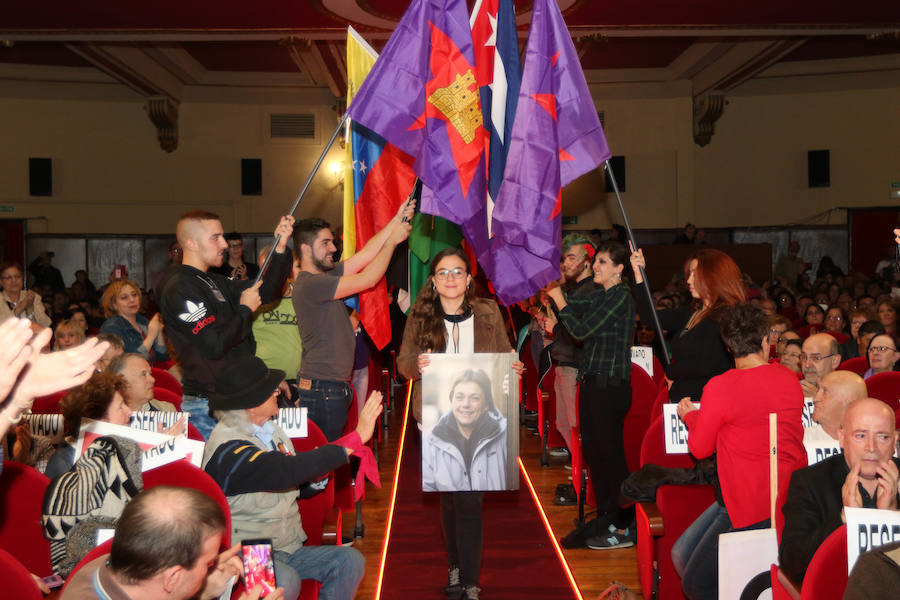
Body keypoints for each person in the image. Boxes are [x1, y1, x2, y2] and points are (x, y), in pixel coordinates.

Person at [397, 248, 521, 600]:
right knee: (450, 500)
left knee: (469, 501)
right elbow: (403, 361)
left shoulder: (487, 312)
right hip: (435, 420)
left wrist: (513, 367)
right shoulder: (421, 316)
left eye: (457, 272)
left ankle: (469, 581)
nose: (450, 278)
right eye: (443, 272)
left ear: (469, 279)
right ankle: (454, 566)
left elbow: (505, 353)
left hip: (482, 417)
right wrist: (417, 365)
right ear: (433, 281)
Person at [202, 355, 374, 600]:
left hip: (288, 545)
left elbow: (290, 483)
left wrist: (315, 479)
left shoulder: (273, 430)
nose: (276, 392)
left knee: (349, 560)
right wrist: (353, 440)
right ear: (250, 404)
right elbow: (282, 470)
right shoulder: (227, 451)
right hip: (249, 552)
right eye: (268, 390)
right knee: (287, 581)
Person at [672, 303, 805, 600]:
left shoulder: (721, 386)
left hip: (749, 505)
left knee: (695, 583)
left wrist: (691, 416)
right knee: (681, 555)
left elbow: (699, 447)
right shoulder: (788, 379)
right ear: (765, 342)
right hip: (783, 496)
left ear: (729, 347)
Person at [157, 210, 294, 439]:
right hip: (208, 407)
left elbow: (267, 292)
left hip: (235, 400)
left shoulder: (214, 281)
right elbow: (214, 345)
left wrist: (279, 249)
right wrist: (244, 310)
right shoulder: (178, 287)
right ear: (191, 243)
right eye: (216, 237)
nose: (224, 244)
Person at [293, 200, 413, 441]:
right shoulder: (312, 284)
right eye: (325, 243)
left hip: (328, 386)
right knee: (322, 461)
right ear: (305, 249)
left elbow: (366, 255)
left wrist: (396, 220)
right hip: (322, 388)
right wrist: (392, 241)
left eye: (332, 242)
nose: (333, 248)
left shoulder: (324, 275)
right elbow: (368, 279)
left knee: (326, 457)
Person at [546, 241, 636, 550]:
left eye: (602, 262)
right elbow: (577, 308)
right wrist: (559, 296)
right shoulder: (604, 295)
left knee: (610, 457)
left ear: (619, 269)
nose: (595, 266)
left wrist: (559, 298)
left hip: (609, 387)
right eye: (595, 261)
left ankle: (624, 522)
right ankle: (608, 515)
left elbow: (581, 331)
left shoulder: (621, 297)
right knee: (596, 457)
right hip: (594, 384)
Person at [62, 485, 283, 600]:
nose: (213, 566)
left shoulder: (115, 566)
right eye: (208, 564)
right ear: (173, 577)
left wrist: (201, 592)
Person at [779, 398, 900, 588]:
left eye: (882, 437)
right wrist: (844, 519)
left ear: (895, 441)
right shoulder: (810, 481)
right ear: (842, 438)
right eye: (860, 436)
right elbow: (792, 563)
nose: (871, 447)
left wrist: (892, 516)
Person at [630, 247, 746, 403]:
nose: (689, 280)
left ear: (714, 276)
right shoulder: (692, 311)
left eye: (695, 274)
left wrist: (671, 372)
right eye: (690, 274)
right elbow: (650, 317)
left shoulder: (725, 315)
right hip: (684, 401)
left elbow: (705, 364)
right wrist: (639, 275)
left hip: (707, 402)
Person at [547, 235, 597, 504]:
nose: (565, 264)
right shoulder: (575, 290)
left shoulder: (589, 292)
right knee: (565, 425)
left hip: (575, 367)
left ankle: (585, 479)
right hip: (564, 364)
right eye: (564, 257)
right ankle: (581, 477)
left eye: (571, 257)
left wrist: (554, 328)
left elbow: (579, 334)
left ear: (587, 261)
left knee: (576, 427)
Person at [422, 368, 508, 492]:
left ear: (486, 405)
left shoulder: (505, 436)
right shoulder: (429, 442)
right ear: (452, 400)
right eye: (459, 397)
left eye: (475, 398)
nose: (466, 404)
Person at [44, 371, 134, 479]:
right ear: (97, 420)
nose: (129, 411)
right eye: (120, 407)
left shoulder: (118, 447)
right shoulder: (64, 465)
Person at [251, 245, 302, 398]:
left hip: (298, 382)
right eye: (263, 270)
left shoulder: (302, 297)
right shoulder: (252, 297)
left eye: (271, 269)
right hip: (265, 382)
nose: (267, 275)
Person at [99, 278, 168, 362]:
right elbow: (131, 362)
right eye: (124, 297)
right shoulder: (111, 327)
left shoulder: (142, 320)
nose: (132, 300)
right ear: (114, 305)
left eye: (134, 295)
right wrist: (151, 336)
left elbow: (162, 357)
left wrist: (159, 331)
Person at [804, 370, 867, 444]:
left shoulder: (870, 444)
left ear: (849, 402)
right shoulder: (799, 440)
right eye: (819, 390)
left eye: (825, 392)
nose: (815, 399)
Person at [0, 261, 51, 329]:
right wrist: (22, 306)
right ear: (1, 282)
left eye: (17, 276)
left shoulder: (32, 296)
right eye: (9, 278)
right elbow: (3, 325)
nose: (14, 280)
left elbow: (45, 324)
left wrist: (30, 309)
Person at [799, 333, 842, 397]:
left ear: (835, 361)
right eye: (804, 357)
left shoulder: (847, 391)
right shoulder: (794, 387)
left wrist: (818, 398)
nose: (807, 365)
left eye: (815, 358)